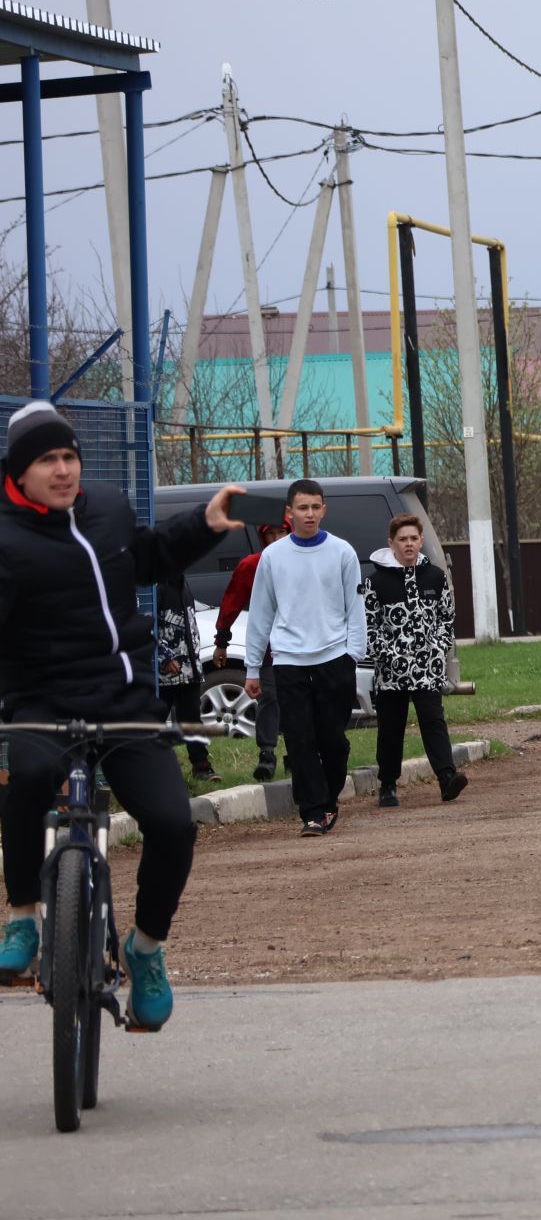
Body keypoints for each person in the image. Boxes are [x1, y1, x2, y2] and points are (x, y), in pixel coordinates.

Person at [0, 401, 245, 1027]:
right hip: (41, 701)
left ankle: (146, 949)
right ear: (19, 472)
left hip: (126, 699)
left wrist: (205, 525)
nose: (63, 470)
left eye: (69, 457)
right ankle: (24, 917)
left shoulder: (106, 506)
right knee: (27, 779)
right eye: (47, 460)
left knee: (173, 823)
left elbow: (149, 557)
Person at [245, 479, 366, 838]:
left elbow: (354, 609)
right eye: (302, 507)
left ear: (323, 510)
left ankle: (327, 801)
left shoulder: (342, 552)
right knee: (299, 740)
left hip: (334, 659)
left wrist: (352, 656)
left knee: (332, 740)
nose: (309, 514)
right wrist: (253, 667)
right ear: (289, 513)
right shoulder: (273, 557)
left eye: (315, 507)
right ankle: (313, 812)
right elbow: (260, 614)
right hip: (288, 660)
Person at [365, 514, 465, 808]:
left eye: (413, 539)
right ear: (391, 543)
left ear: (421, 541)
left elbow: (447, 619)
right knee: (391, 727)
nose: (408, 544)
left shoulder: (434, 576)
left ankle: (447, 777)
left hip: (428, 670)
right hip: (391, 671)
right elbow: (370, 626)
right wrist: (388, 655)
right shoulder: (376, 582)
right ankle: (387, 784)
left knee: (433, 721)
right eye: (402, 539)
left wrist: (439, 648)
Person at [212, 517, 287, 781]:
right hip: (267, 645)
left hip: (304, 646)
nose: (278, 538)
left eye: (283, 532)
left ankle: (300, 754)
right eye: (272, 534)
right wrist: (222, 640)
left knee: (302, 700)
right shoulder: (252, 565)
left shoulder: (306, 559)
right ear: (263, 538)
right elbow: (231, 602)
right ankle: (267, 753)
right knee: (270, 697)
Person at [156, 565, 218, 782]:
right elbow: (145, 624)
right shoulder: (154, 586)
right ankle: (145, 769)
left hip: (190, 668)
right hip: (165, 671)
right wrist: (164, 656)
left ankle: (202, 767)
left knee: (191, 717)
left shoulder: (183, 583)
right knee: (153, 719)